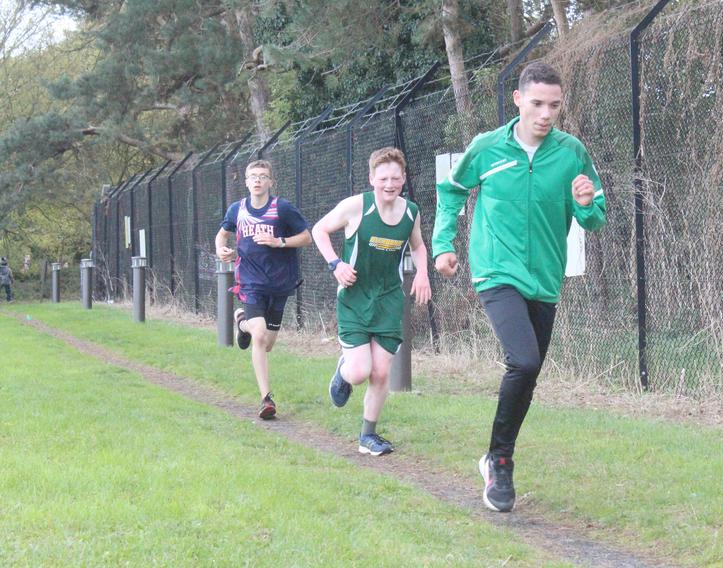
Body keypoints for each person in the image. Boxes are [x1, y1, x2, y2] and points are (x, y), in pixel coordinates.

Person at [432, 61, 607, 512]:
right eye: (537, 104)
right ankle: (502, 462)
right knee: (524, 360)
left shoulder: (571, 153)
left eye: (554, 104)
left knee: (527, 374)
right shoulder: (488, 148)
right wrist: (443, 244)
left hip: (545, 279)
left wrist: (586, 203)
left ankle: (494, 456)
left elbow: (594, 215)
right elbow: (452, 190)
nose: (545, 113)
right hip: (496, 270)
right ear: (518, 100)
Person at [311, 147, 431, 456]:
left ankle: (368, 436)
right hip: (354, 297)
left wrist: (422, 274)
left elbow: (417, 247)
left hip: (389, 299)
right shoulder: (356, 207)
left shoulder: (410, 212)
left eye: (395, 178)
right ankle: (343, 371)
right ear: (371, 179)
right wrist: (335, 264)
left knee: (381, 372)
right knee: (359, 372)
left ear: (403, 178)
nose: (389, 184)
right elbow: (319, 230)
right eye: (383, 178)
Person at [215, 159, 312, 420]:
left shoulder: (282, 208)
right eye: (253, 176)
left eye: (263, 176)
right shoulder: (237, 210)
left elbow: (306, 237)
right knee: (259, 336)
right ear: (246, 182)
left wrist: (278, 241)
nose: (257, 180)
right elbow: (222, 234)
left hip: (279, 283)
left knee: (267, 344)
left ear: (271, 181)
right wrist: (220, 249)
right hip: (250, 282)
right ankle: (266, 399)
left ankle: (241, 321)